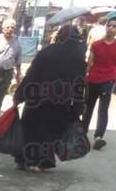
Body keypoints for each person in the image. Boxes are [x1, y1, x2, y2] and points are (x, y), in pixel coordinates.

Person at [10, 24, 86, 172]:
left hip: (37, 97)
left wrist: (19, 95)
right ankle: (42, 162)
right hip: (61, 101)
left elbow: (31, 74)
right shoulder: (78, 57)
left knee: (31, 128)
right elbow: (80, 83)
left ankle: (24, 160)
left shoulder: (47, 51)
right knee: (50, 131)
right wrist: (78, 106)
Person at [82, 16, 116, 149]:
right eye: (109, 25)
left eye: (114, 26)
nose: (110, 28)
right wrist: (84, 76)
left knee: (103, 109)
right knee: (88, 107)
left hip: (108, 80)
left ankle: (99, 136)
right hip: (93, 79)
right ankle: (82, 133)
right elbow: (90, 63)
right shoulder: (96, 44)